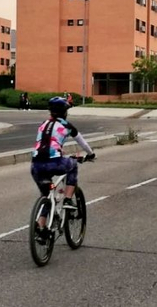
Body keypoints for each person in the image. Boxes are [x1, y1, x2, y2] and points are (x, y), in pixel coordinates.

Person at [31, 97, 95, 238]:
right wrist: (91, 154)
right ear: (64, 112)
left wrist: (60, 151)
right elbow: (82, 142)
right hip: (54, 162)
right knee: (72, 166)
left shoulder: (43, 124)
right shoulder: (67, 126)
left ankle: (41, 228)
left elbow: (46, 143)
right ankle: (67, 199)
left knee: (47, 195)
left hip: (36, 165)